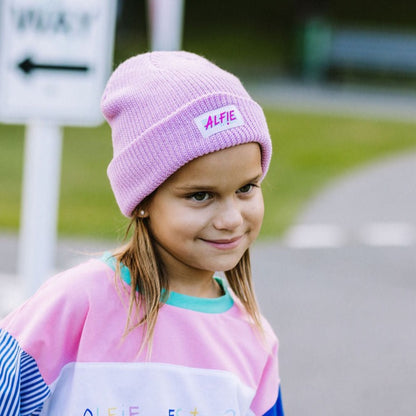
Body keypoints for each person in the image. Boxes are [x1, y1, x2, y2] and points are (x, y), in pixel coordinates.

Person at [0, 51, 284, 416]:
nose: (231, 218)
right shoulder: (75, 304)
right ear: (143, 199)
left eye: (246, 188)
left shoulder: (254, 340)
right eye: (200, 195)